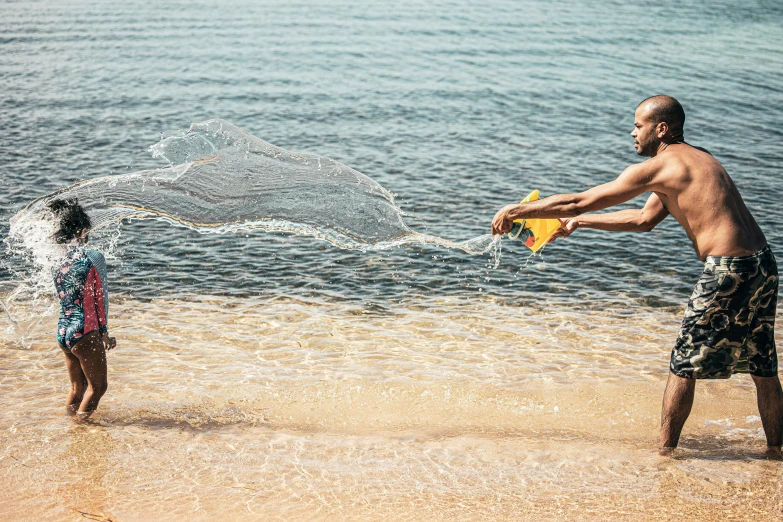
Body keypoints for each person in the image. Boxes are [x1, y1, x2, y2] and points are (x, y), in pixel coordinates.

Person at [491, 95, 781, 458]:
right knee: (762, 364)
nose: (632, 133)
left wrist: (518, 210)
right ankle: (775, 453)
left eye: (638, 126)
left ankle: (666, 455)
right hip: (762, 264)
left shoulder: (657, 168)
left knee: (682, 364)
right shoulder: (696, 158)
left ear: (661, 129)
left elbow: (581, 199)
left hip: (728, 270)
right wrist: (581, 223)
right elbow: (644, 220)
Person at [48, 198, 116, 420]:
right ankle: (80, 430)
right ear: (82, 230)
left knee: (77, 389)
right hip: (85, 332)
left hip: (63, 332)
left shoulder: (56, 262)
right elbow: (101, 298)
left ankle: (69, 425)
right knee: (98, 388)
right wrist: (104, 332)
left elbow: (66, 298)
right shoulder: (94, 257)